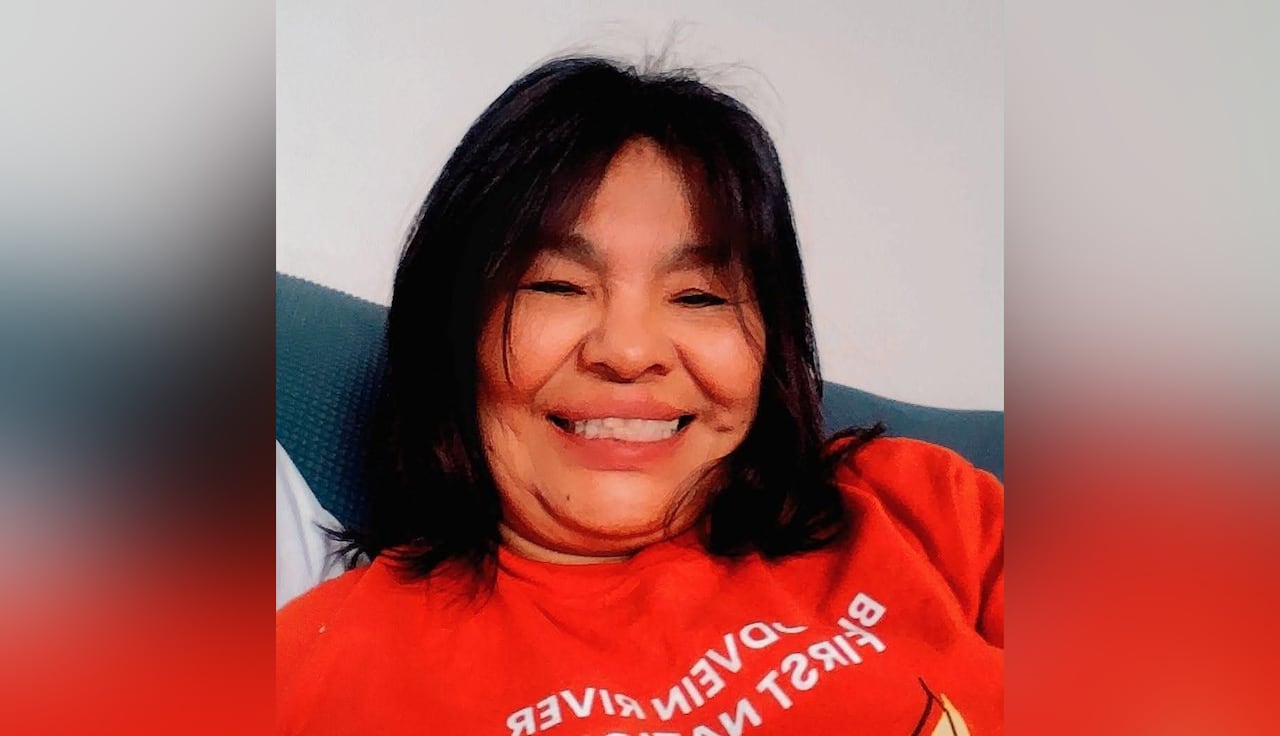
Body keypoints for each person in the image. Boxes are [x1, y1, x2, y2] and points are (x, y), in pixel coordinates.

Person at [276, 55, 1003, 735]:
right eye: (556, 286)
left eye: (700, 296)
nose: (628, 352)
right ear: (451, 332)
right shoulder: (309, 675)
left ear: (771, 345)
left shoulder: (923, 508)